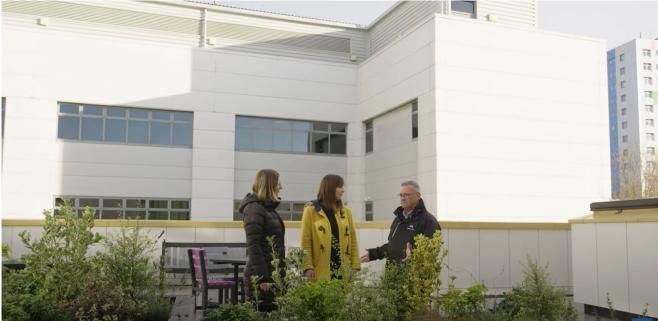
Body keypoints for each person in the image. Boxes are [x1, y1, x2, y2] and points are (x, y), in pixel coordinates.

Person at [360, 180, 441, 263]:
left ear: (418, 196)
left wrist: (413, 256)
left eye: (406, 195)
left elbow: (431, 252)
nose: (402, 198)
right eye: (401, 195)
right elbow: (392, 246)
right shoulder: (398, 219)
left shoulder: (428, 221)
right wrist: (373, 254)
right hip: (393, 273)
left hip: (412, 274)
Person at [240, 169, 285, 312]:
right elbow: (254, 245)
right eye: (279, 184)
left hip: (273, 274)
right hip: (262, 278)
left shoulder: (267, 209)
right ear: (270, 185)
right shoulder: (254, 209)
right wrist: (262, 278)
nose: (281, 188)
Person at [301, 174, 360, 280]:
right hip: (320, 272)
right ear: (330, 188)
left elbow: (353, 241)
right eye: (340, 187)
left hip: (343, 271)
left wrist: (355, 265)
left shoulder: (346, 212)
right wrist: (307, 267)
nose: (343, 190)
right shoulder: (311, 210)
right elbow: (305, 242)